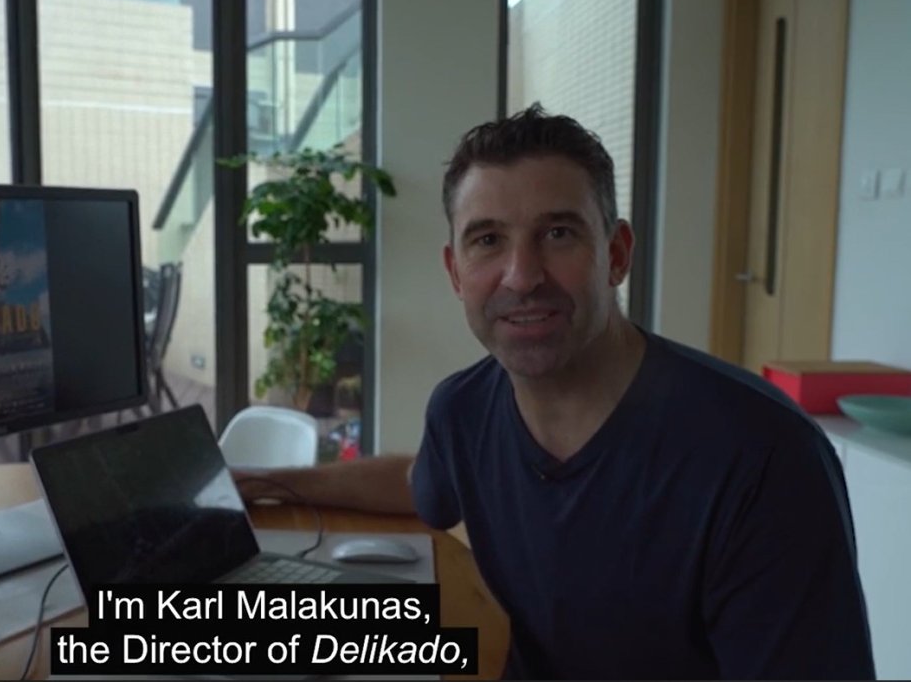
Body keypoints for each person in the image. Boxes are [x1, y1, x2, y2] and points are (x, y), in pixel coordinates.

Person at [233, 104, 876, 679]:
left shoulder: (763, 458)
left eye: (558, 234)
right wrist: (265, 480)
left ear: (617, 253)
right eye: (488, 240)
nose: (522, 275)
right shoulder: (462, 411)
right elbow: (421, 484)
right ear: (457, 272)